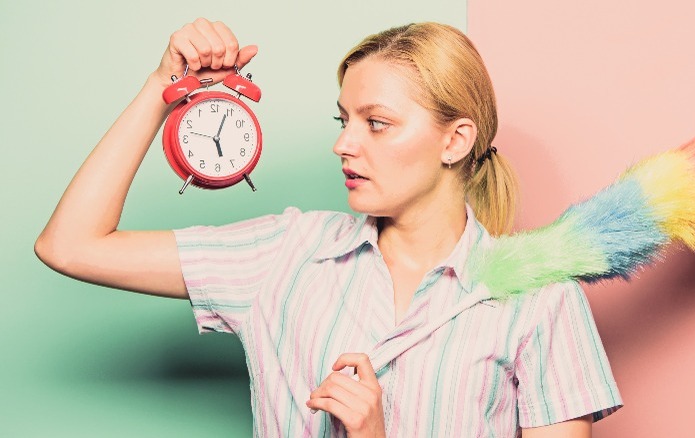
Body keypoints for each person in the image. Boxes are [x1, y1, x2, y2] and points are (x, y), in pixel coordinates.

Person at [35, 18, 622, 437]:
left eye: (378, 123)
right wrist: (161, 89)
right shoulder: (285, 253)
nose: (344, 144)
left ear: (456, 139)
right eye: (344, 119)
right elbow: (70, 246)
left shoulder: (541, 300)